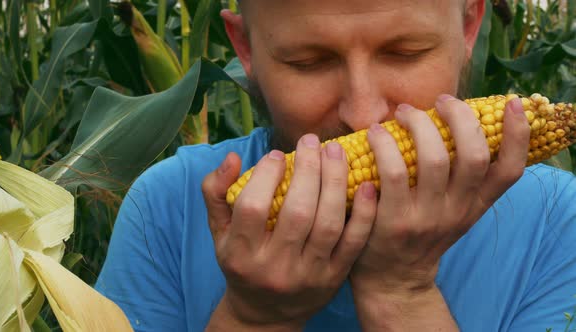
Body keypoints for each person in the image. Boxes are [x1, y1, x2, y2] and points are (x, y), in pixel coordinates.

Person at [95, 0, 576, 331]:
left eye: (406, 53)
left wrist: (402, 292)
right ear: (246, 51)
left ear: (470, 25)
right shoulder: (166, 207)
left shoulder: (559, 221)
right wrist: (254, 317)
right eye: (308, 61)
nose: (363, 114)